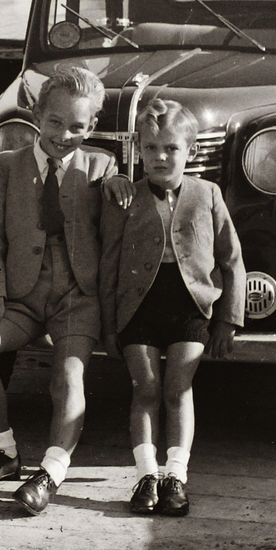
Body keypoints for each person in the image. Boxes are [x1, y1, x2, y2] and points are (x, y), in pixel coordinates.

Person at [0, 65, 122, 515]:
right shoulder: (6, 165)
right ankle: (4, 451)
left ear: (91, 128)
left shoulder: (102, 167)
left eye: (77, 126)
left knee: (67, 376)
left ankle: (51, 470)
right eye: (55, 122)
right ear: (36, 115)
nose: (64, 135)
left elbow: (112, 240)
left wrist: (120, 188)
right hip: (20, 298)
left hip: (77, 298)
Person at [101, 99, 245, 517]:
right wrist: (110, 327)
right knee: (145, 388)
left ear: (192, 151)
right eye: (150, 149)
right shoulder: (125, 198)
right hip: (138, 307)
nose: (160, 157)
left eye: (171, 148)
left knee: (178, 387)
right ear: (138, 150)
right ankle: (147, 475)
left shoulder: (208, 194)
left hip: (190, 306)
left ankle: (175, 478)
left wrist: (227, 320)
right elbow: (110, 264)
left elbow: (231, 260)